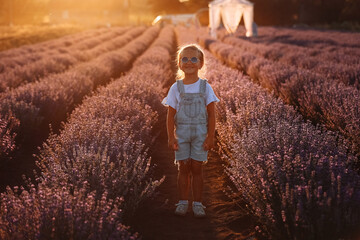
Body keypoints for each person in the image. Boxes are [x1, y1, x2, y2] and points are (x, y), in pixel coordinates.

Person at [162, 44, 220, 218]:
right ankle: (182, 202)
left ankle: (197, 203)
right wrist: (171, 137)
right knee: (183, 167)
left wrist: (210, 137)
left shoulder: (205, 87)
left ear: (201, 63)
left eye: (194, 59)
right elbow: (170, 115)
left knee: (197, 168)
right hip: (182, 135)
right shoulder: (176, 87)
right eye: (184, 59)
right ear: (179, 64)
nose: (189, 62)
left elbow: (211, 115)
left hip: (200, 134)